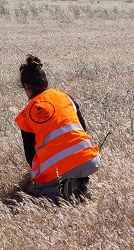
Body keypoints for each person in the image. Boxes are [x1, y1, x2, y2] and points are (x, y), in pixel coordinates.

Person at [15, 55, 100, 200]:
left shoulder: (25, 115)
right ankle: (82, 184)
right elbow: (83, 128)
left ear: (26, 87)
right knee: (75, 168)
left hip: (57, 170)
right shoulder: (66, 97)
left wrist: (37, 177)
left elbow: (30, 156)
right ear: (45, 82)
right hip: (90, 161)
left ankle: (59, 190)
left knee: (40, 186)